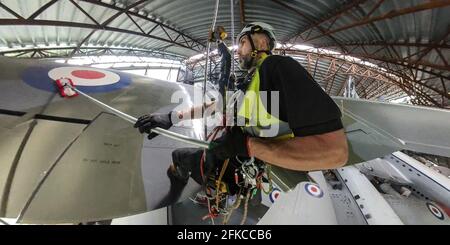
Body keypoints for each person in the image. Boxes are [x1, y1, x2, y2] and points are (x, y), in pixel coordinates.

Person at [134, 22, 348, 207]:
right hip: (234, 165)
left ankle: (176, 194)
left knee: (178, 156)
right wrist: (170, 117)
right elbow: (216, 106)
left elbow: (335, 153)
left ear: (262, 44)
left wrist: (248, 146)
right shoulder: (250, 83)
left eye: (243, 43)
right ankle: (213, 192)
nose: (238, 51)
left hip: (241, 163)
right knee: (185, 157)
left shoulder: (277, 68)